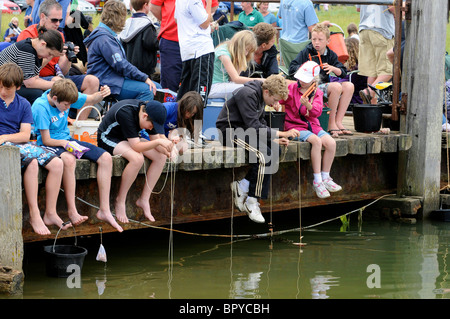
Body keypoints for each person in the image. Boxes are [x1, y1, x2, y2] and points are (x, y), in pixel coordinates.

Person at [31, 79, 123, 232]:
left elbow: (93, 99)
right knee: (69, 159)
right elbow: (46, 140)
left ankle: (104, 210)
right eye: (66, 105)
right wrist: (64, 144)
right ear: (55, 99)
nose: (68, 108)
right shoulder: (40, 107)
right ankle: (72, 211)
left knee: (106, 158)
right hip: (49, 143)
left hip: (67, 140)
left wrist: (103, 93)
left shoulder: (67, 95)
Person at [216, 74, 300, 223]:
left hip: (246, 130)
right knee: (264, 154)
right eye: (274, 100)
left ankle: (242, 185)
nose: (274, 103)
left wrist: (274, 138)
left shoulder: (261, 95)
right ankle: (252, 200)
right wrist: (282, 132)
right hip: (230, 132)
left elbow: (259, 122)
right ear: (267, 92)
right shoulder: (247, 94)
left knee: (275, 151)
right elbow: (254, 126)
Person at [0, 63, 66, 235]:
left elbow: (24, 135)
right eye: (0, 86)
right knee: (33, 163)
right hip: (5, 149)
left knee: (58, 164)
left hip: (16, 144)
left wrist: (3, 137)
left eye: (7, 88)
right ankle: (35, 214)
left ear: (18, 87)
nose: (2, 92)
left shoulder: (23, 104)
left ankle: (50, 212)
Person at [18, 0, 101, 120]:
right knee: (58, 81)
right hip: (35, 79)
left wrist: (68, 57)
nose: (58, 24)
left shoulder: (59, 35)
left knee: (92, 81)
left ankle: (79, 124)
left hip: (55, 76)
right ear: (42, 17)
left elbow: (63, 70)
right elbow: (28, 74)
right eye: (54, 20)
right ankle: (58, 124)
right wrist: (52, 54)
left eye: (60, 20)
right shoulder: (28, 35)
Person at [97, 99, 174, 224]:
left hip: (128, 139)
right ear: (145, 116)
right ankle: (120, 201)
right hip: (108, 138)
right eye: (151, 126)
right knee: (137, 159)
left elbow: (158, 144)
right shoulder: (126, 112)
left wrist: (168, 150)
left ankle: (144, 199)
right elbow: (136, 146)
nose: (151, 128)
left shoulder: (151, 113)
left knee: (161, 157)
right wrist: (160, 142)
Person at [280, 61, 342, 199]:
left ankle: (326, 176)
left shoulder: (317, 92)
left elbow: (317, 112)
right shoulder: (291, 88)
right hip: (294, 126)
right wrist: (276, 104)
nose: (301, 81)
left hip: (312, 125)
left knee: (331, 143)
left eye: (305, 79)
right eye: (300, 78)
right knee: (316, 141)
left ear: (314, 80)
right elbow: (280, 100)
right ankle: (317, 179)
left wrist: (308, 105)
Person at [84, 0, 160, 102]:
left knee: (158, 87)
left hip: (113, 79)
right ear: (118, 18)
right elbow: (121, 65)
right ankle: (131, 116)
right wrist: (144, 78)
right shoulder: (104, 39)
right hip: (108, 82)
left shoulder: (105, 35)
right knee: (148, 90)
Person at [289, 23, 354, 137]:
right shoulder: (306, 52)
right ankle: (330, 123)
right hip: (311, 88)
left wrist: (333, 68)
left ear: (328, 41)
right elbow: (292, 68)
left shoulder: (330, 54)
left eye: (320, 39)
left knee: (349, 86)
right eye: (314, 39)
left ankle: (338, 122)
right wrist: (307, 68)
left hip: (324, 86)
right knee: (336, 86)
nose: (316, 42)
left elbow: (343, 72)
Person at [150, 0, 218, 93]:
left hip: (195, 45)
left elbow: (213, 6)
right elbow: (154, 7)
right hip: (172, 40)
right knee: (170, 87)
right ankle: (171, 106)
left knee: (192, 89)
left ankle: (182, 105)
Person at [0, 28, 64, 104]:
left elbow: (35, 76)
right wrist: (56, 85)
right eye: (50, 54)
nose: (48, 57)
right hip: (4, 83)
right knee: (37, 94)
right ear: (43, 44)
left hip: (12, 81)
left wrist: (54, 82)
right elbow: (29, 83)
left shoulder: (35, 49)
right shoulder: (26, 50)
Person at [174, 0, 214, 103]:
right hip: (201, 50)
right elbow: (205, 23)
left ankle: (180, 119)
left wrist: (208, 28)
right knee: (198, 99)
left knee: (185, 95)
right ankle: (197, 120)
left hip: (187, 49)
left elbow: (176, 19)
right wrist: (209, 3)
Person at [356, 4, 395, 105]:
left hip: (364, 29)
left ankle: (371, 106)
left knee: (372, 73)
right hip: (382, 30)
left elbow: (358, 8)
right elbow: (392, 7)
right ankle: (369, 91)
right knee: (388, 70)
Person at [209, 30, 263, 100]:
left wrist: (240, 60)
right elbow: (236, 79)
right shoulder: (223, 54)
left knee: (247, 87)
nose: (246, 54)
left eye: (248, 51)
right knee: (246, 89)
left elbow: (231, 79)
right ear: (240, 46)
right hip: (213, 87)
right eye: (246, 49)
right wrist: (260, 80)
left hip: (223, 84)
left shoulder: (231, 50)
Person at [119, 0, 159, 80]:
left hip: (128, 66)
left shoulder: (127, 23)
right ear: (145, 5)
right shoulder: (146, 24)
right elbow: (151, 43)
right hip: (144, 68)